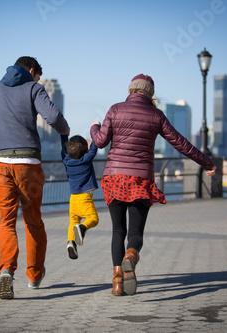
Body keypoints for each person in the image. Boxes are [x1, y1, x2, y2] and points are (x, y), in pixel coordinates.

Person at [90, 74, 216, 296]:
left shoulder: (115, 109)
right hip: (141, 180)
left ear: (131, 90)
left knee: (118, 230)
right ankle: (131, 256)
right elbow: (181, 144)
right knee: (135, 233)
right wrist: (206, 162)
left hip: (115, 177)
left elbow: (100, 141)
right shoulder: (156, 115)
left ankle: (117, 282)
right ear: (150, 94)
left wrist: (94, 127)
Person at [0, 56, 70, 300]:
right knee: (33, 221)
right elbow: (53, 118)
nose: (37, 81)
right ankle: (34, 276)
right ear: (32, 71)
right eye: (37, 77)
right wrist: (64, 130)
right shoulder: (34, 88)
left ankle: (6, 272)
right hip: (29, 165)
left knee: (6, 221)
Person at [60, 134, 99, 260]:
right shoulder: (86, 159)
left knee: (73, 221)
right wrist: (96, 132)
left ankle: (70, 242)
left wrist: (63, 135)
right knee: (93, 219)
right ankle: (82, 228)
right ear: (85, 150)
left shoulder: (66, 161)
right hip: (85, 198)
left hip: (73, 199)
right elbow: (94, 148)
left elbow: (63, 149)